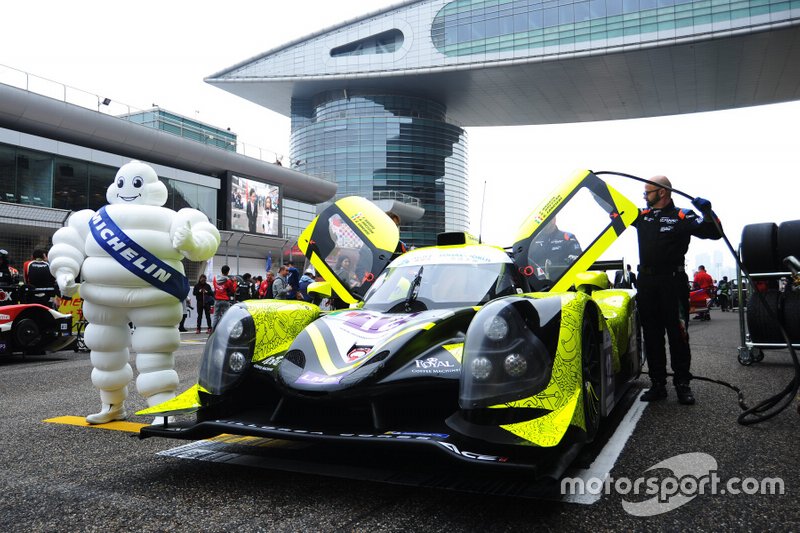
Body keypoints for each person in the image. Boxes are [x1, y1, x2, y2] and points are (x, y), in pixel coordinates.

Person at [47, 160, 220, 424]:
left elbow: (206, 239)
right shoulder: (94, 220)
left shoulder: (175, 219)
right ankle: (112, 405)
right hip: (103, 299)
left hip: (155, 299)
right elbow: (69, 243)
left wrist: (189, 241)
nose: (128, 189)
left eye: (136, 183)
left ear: (152, 187)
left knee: (156, 353)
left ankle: (163, 409)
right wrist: (64, 269)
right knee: (105, 354)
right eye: (122, 183)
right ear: (114, 187)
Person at [633, 175, 721, 405]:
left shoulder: (683, 215)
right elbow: (613, 210)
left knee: (678, 334)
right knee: (651, 336)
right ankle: (658, 384)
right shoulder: (641, 216)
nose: (644, 196)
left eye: (648, 192)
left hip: (673, 283)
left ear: (662, 192)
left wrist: (708, 213)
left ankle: (682, 384)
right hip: (647, 283)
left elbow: (714, 233)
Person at [212, 265, 237, 330]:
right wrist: (234, 282)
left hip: (217, 299)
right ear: (228, 272)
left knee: (215, 316)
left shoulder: (215, 278)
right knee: (225, 316)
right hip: (225, 300)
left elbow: (215, 287)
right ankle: (224, 330)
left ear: (221, 270)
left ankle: (213, 330)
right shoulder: (228, 281)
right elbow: (233, 290)